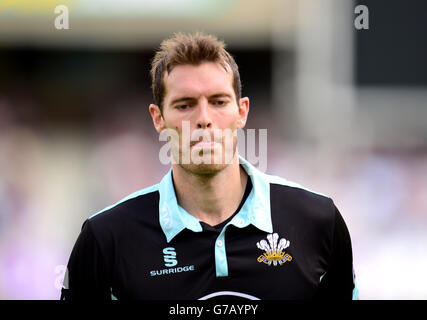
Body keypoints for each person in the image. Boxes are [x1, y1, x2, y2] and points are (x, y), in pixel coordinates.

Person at [61, 32, 358, 300]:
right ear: (158, 118)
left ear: (241, 112)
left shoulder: (318, 221)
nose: (203, 118)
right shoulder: (105, 238)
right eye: (185, 105)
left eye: (218, 102)